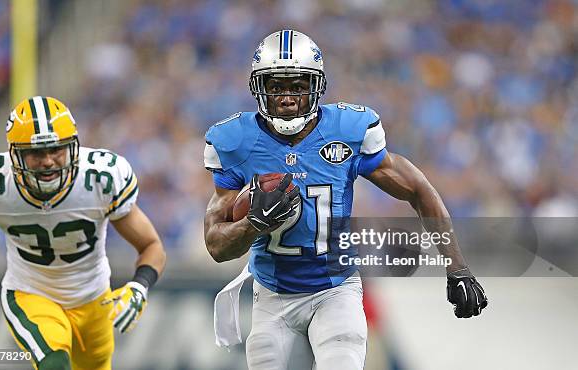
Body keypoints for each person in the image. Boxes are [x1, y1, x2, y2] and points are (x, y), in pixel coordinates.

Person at [203, 30, 488, 370]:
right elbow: (217, 247)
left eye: (298, 85)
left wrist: (457, 269)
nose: (288, 97)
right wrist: (253, 224)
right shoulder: (235, 141)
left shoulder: (349, 129)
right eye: (277, 85)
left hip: (335, 290)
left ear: (317, 87)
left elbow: (418, 189)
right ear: (259, 89)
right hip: (271, 295)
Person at [0, 96, 167, 370]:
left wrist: (139, 286)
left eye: (57, 149)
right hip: (30, 292)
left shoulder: (100, 178)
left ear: (73, 147)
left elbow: (151, 245)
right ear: (15, 155)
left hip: (94, 297)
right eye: (37, 153)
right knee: (54, 363)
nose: (48, 161)